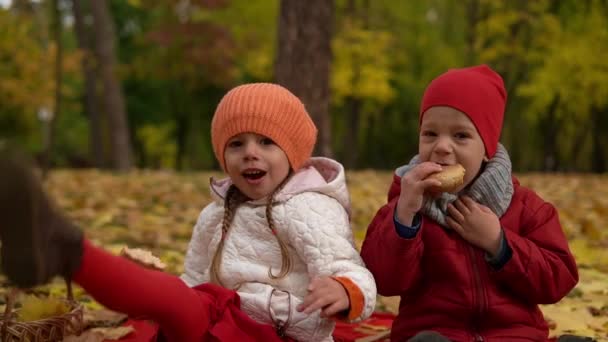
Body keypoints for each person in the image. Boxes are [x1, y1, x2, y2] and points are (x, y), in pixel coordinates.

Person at [0, 83, 376, 342]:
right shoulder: (214, 215)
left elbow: (351, 269)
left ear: (293, 154)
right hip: (220, 320)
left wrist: (345, 290)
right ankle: (68, 252)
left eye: (266, 142)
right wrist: (157, 292)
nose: (250, 152)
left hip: (280, 332)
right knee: (178, 302)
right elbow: (193, 278)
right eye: (236, 143)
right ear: (222, 156)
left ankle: (70, 252)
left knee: (187, 306)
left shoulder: (310, 208)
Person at [360, 65, 580, 342]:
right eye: (430, 134)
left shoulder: (526, 207)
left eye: (460, 136)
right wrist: (405, 216)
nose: (441, 146)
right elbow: (383, 279)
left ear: (487, 148)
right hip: (439, 335)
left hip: (513, 336)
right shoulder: (406, 204)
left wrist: (499, 244)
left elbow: (559, 279)